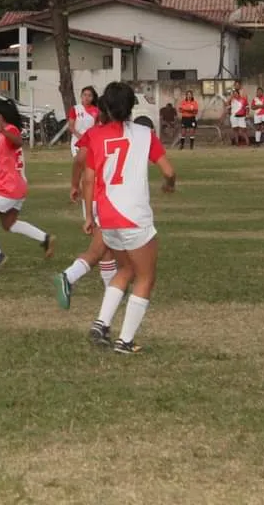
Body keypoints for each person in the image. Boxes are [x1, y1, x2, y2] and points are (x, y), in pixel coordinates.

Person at [83, 82, 176, 354]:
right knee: (146, 277)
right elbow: (168, 171)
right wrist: (170, 185)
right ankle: (124, 341)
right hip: (134, 215)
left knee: (126, 269)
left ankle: (101, 322)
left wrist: (89, 215)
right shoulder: (145, 134)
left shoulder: (96, 136)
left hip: (107, 215)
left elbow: (89, 178)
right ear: (131, 106)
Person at [0, 100, 55, 273]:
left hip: (8, 188)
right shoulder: (4, 134)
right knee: (9, 224)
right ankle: (45, 238)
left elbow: (17, 142)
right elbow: (6, 160)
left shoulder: (9, 130)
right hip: (16, 186)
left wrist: (2, 129)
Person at [54, 121, 120, 309]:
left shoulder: (93, 133)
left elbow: (79, 159)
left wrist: (75, 185)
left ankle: (111, 291)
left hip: (94, 195)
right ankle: (68, 277)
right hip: (108, 196)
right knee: (98, 249)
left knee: (106, 247)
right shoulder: (125, 132)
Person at [68, 86, 99, 157]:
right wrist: (79, 136)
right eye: (85, 95)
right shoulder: (75, 109)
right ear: (81, 96)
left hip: (91, 140)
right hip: (77, 139)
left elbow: (97, 126)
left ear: (93, 97)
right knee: (79, 162)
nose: (87, 97)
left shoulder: (96, 110)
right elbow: (71, 126)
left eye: (89, 95)